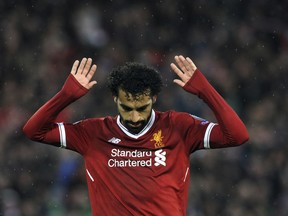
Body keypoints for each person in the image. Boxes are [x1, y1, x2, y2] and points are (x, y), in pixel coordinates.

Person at [23, 55, 249, 216]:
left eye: (142, 108)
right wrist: (65, 96)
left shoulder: (178, 127)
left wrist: (205, 90)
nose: (134, 117)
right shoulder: (93, 133)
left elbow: (237, 136)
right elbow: (34, 131)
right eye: (126, 107)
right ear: (115, 100)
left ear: (154, 100)